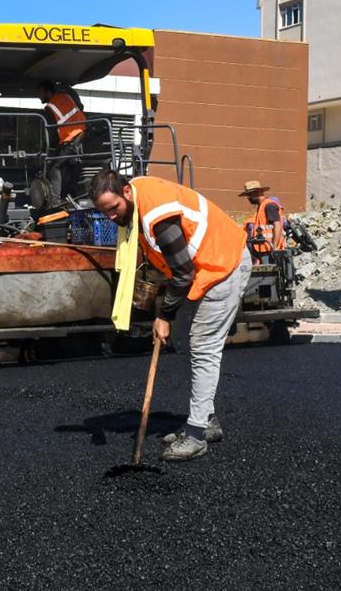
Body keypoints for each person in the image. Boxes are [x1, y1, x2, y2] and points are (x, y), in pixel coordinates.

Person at [91, 169, 251, 462]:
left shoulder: (158, 217)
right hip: (199, 268)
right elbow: (168, 263)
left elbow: (183, 272)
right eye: (105, 213)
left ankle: (196, 435)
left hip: (221, 264)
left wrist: (163, 315)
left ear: (126, 192)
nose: (111, 217)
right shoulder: (136, 197)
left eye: (113, 209)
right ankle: (207, 420)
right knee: (183, 341)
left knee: (204, 348)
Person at [37, 79, 87, 205]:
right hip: (81, 134)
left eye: (41, 93)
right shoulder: (66, 96)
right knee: (69, 166)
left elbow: (52, 131)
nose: (39, 96)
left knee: (54, 168)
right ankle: (72, 195)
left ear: (48, 92)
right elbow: (79, 109)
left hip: (70, 138)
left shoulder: (49, 107)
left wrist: (45, 147)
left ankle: (55, 202)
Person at [241, 180, 285, 262]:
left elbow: (277, 225)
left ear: (256, 193)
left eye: (249, 195)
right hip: (264, 248)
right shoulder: (262, 206)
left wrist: (274, 247)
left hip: (269, 249)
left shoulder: (269, 206)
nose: (248, 198)